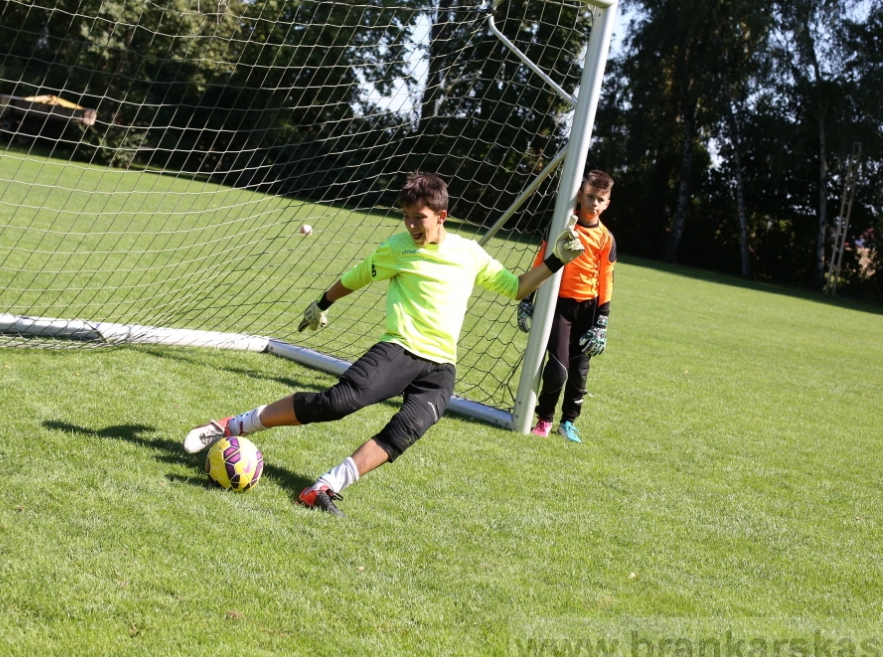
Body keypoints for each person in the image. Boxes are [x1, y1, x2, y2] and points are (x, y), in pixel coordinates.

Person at [184, 171, 585, 516]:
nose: (411, 225)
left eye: (420, 218)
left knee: (405, 432)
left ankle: (322, 488)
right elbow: (356, 277)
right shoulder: (398, 249)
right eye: (407, 217)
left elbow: (516, 288)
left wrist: (557, 259)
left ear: (441, 216)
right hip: (399, 349)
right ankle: (230, 425)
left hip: (441, 367)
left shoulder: (469, 253)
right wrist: (321, 303)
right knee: (335, 404)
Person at [517, 169, 616, 443]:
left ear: (607, 203)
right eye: (590, 196)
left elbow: (606, 279)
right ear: (581, 196)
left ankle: (568, 423)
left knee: (579, 373)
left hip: (589, 309)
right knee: (557, 370)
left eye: (600, 199)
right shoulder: (563, 225)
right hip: (558, 306)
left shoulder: (606, 238)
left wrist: (602, 320)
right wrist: (528, 297)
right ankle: (544, 419)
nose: (594, 203)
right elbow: (541, 260)